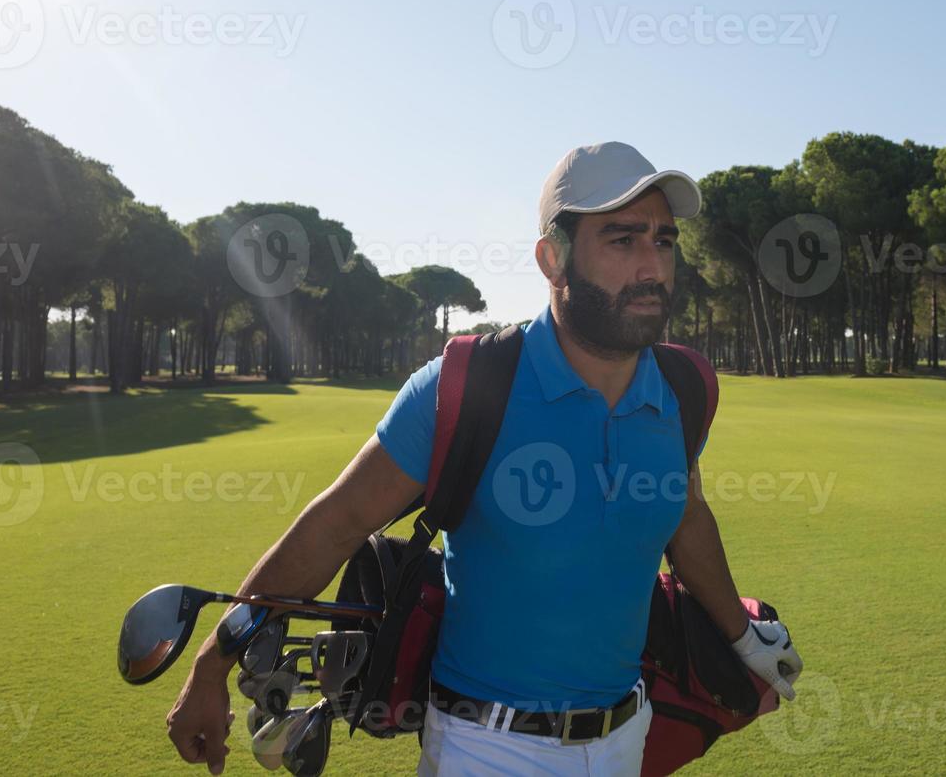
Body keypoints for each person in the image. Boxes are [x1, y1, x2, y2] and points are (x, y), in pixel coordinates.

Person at [165, 141, 803, 776]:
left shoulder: (683, 389)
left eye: (663, 241)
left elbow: (685, 517)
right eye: (621, 239)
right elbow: (335, 525)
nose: (651, 266)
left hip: (627, 738)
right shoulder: (463, 386)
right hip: (484, 748)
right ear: (553, 260)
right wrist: (214, 660)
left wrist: (744, 638)